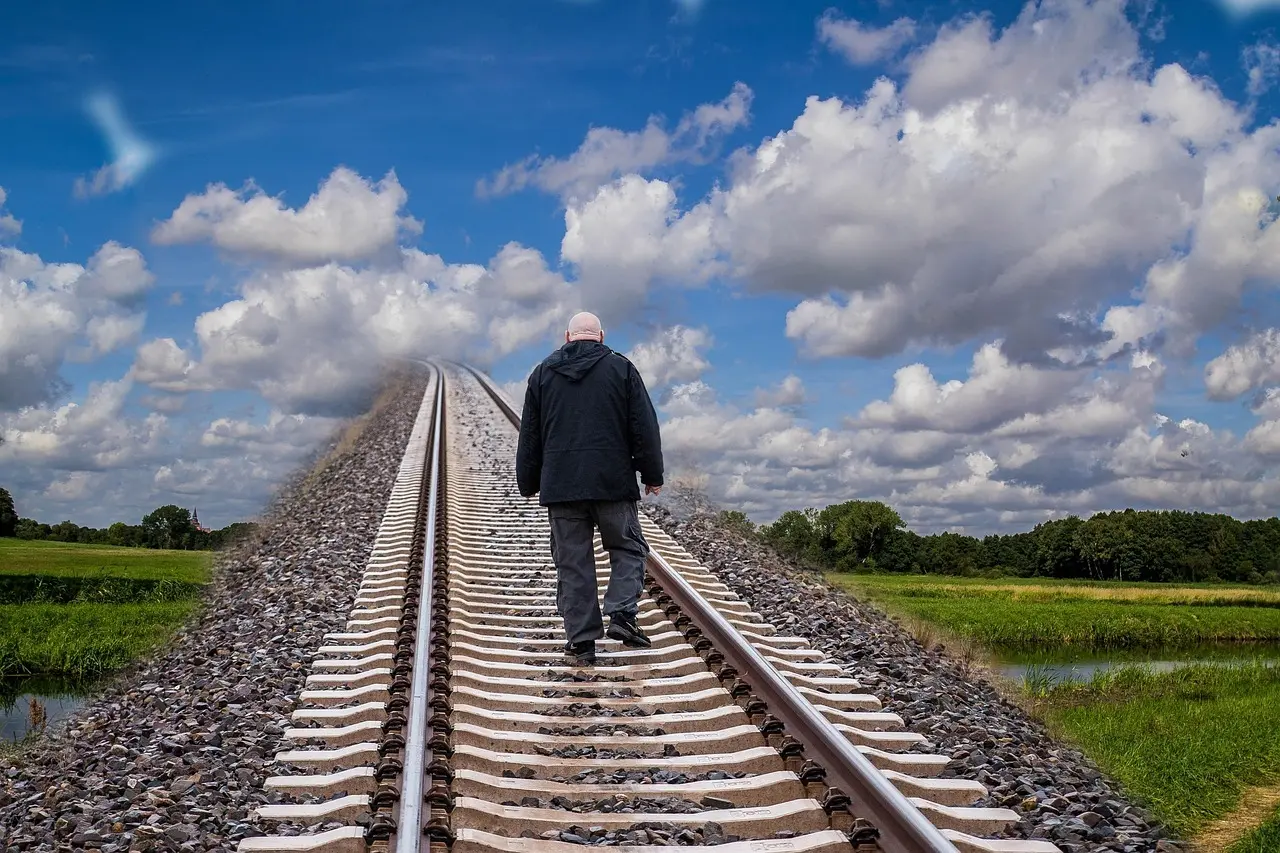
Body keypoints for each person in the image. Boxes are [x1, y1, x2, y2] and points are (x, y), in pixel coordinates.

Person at [515, 311, 665, 666]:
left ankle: (582, 641)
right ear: (601, 335)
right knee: (628, 548)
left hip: (563, 486)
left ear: (568, 336)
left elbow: (530, 435)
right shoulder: (622, 369)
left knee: (573, 563)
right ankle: (623, 614)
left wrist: (528, 481)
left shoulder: (542, 374)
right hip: (612, 482)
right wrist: (652, 474)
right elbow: (644, 425)